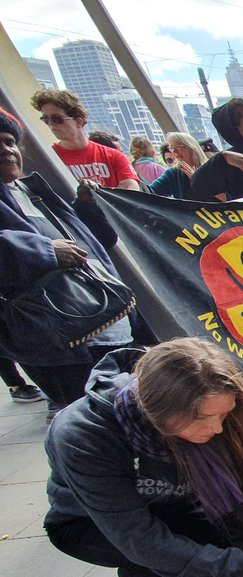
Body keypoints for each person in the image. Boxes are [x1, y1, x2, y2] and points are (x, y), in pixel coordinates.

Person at [43, 339, 243, 577]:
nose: (217, 428)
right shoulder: (82, 436)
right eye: (205, 419)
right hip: (88, 523)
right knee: (150, 558)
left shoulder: (208, 407)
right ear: (160, 409)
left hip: (175, 502)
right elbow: (140, 540)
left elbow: (235, 497)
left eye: (224, 414)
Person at [0, 106, 134, 411]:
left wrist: (88, 209)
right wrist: (46, 252)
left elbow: (93, 242)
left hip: (104, 319)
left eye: (9, 141)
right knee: (92, 414)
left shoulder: (30, 190)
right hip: (54, 341)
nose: (6, 150)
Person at [29, 90, 139, 190]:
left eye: (57, 119)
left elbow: (131, 188)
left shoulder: (114, 156)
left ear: (78, 122)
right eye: (45, 119)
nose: (51, 124)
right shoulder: (48, 159)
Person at [145, 132, 206, 199]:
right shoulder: (173, 173)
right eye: (171, 148)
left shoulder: (210, 168)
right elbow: (150, 193)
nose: (174, 151)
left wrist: (197, 181)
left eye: (178, 147)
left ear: (191, 147)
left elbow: (217, 196)